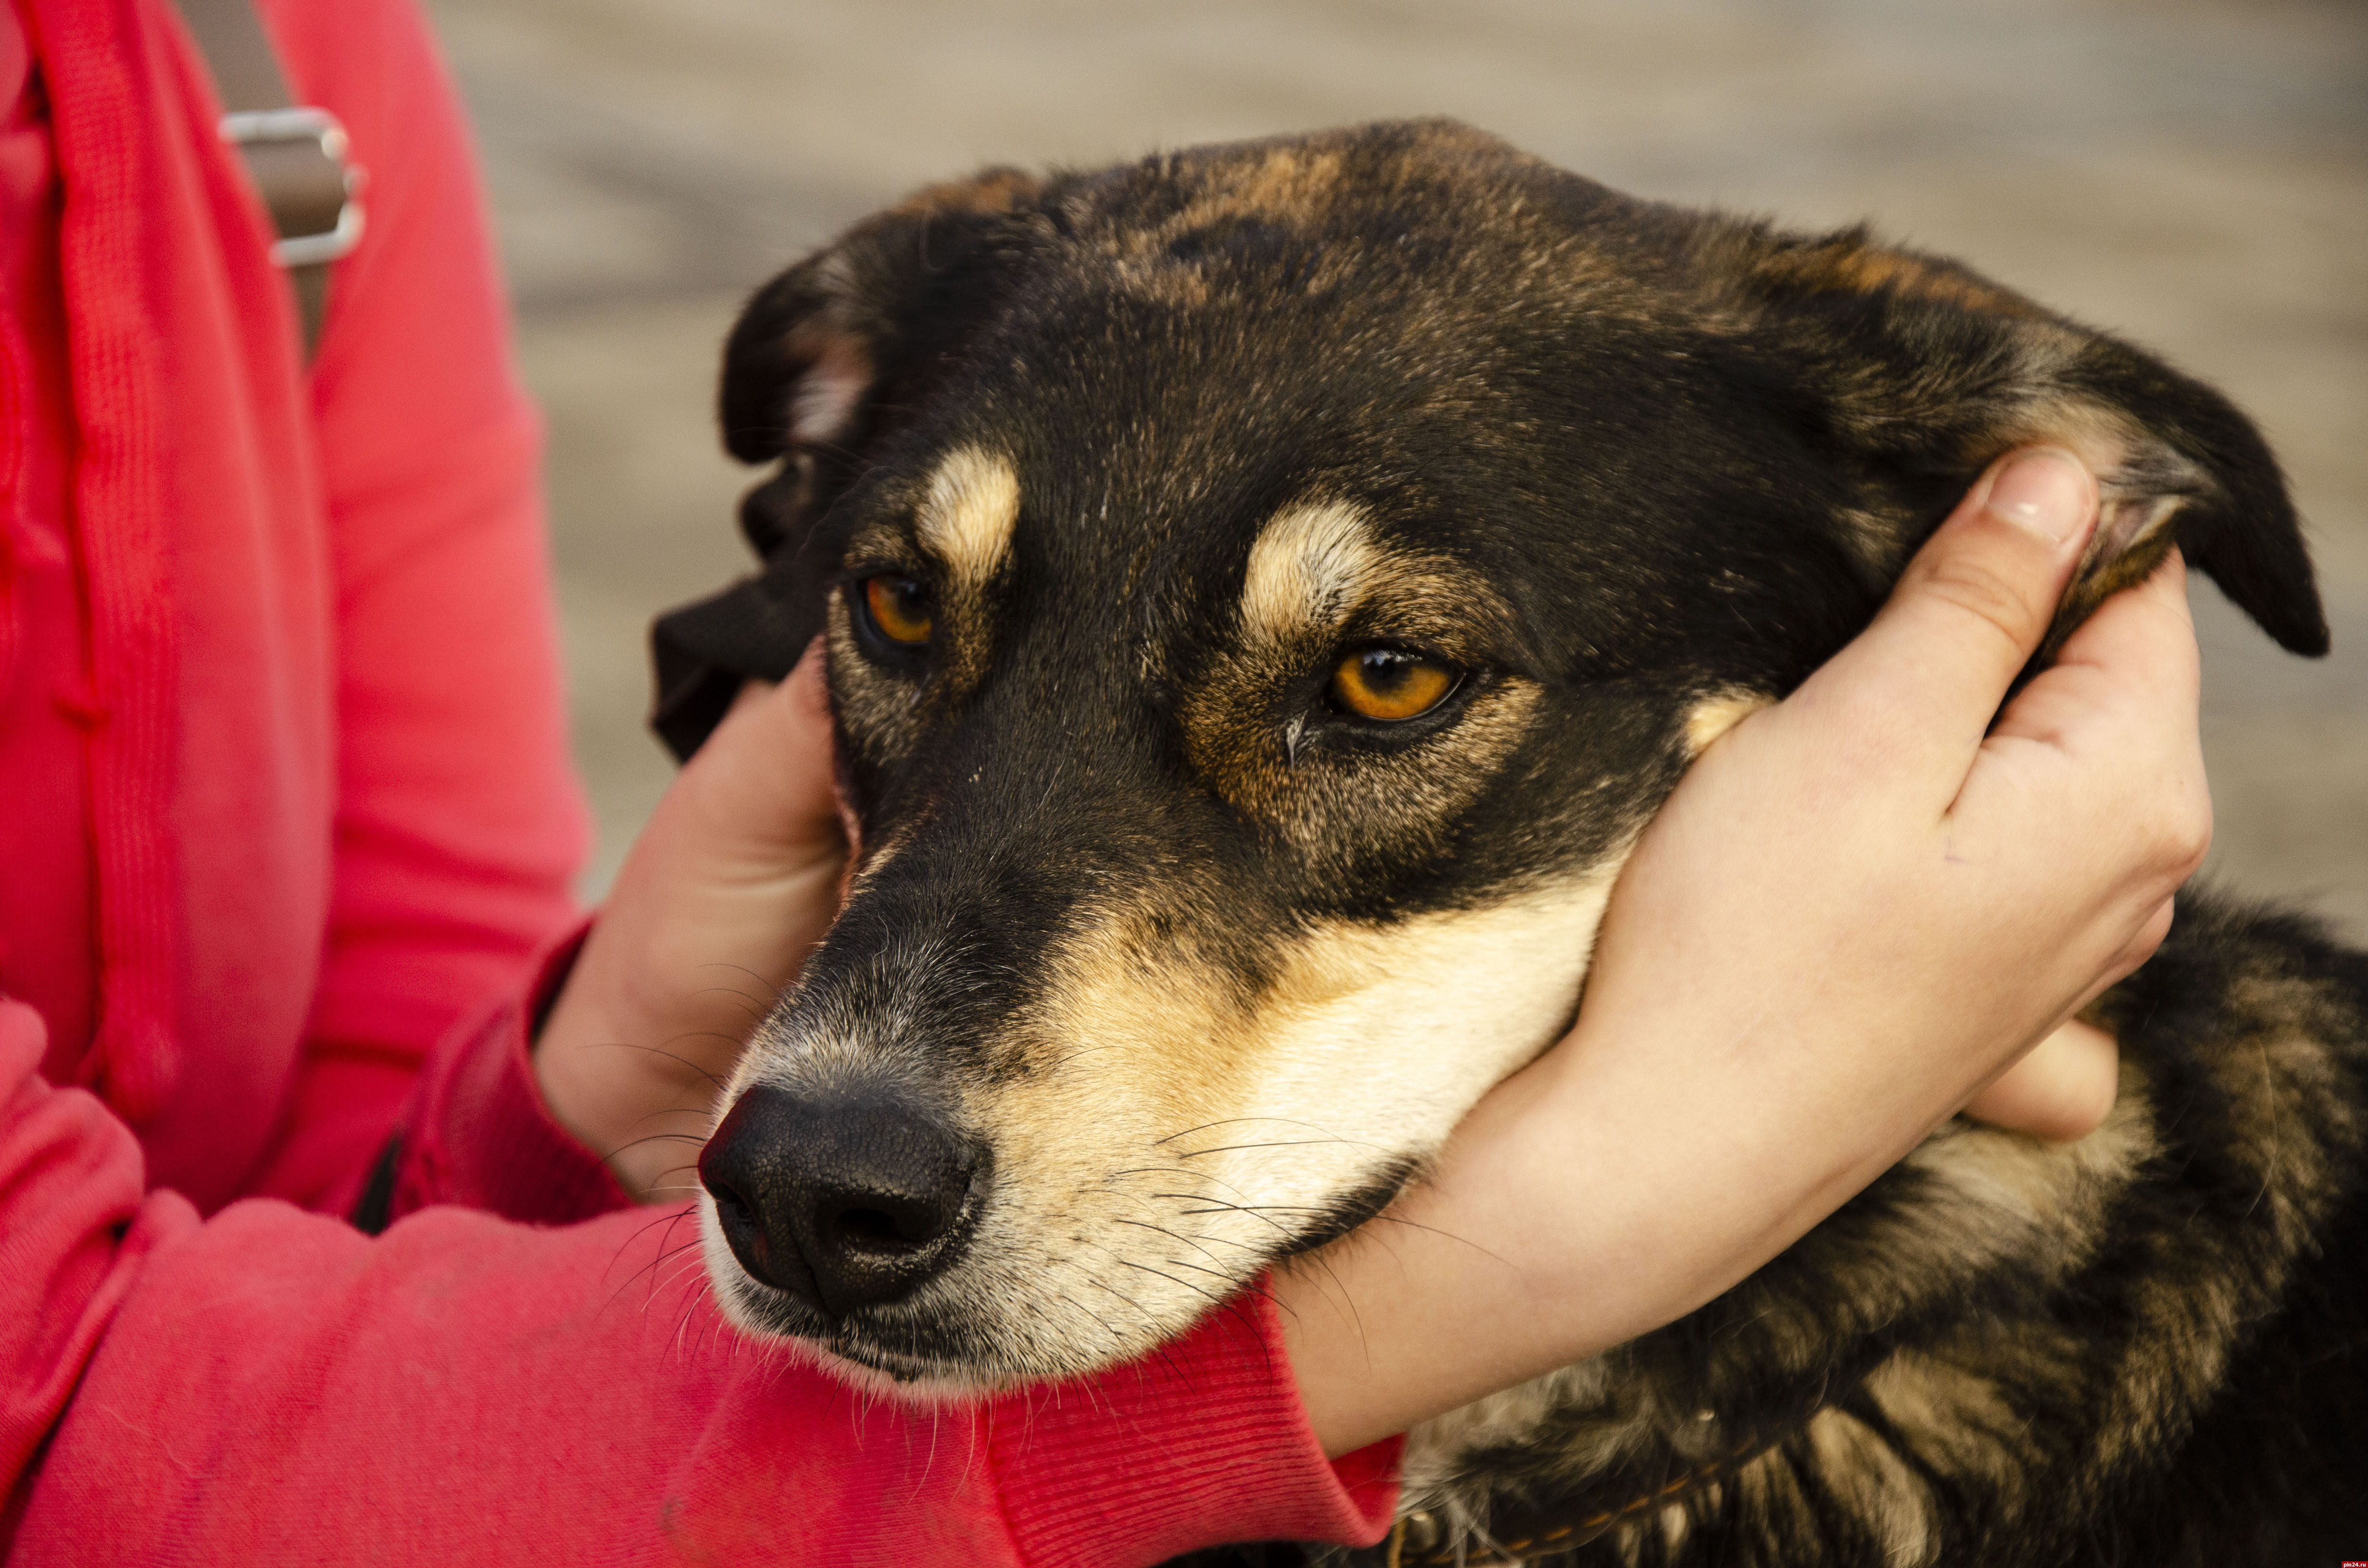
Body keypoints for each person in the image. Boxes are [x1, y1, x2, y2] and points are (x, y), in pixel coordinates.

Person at [0, 0, 2190, 1561]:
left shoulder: (266, 65)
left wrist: (575, 1093)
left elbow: (325, 1156)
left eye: (1389, 670)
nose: (840, 1119)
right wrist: (1531, 1251)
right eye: (910, 621)